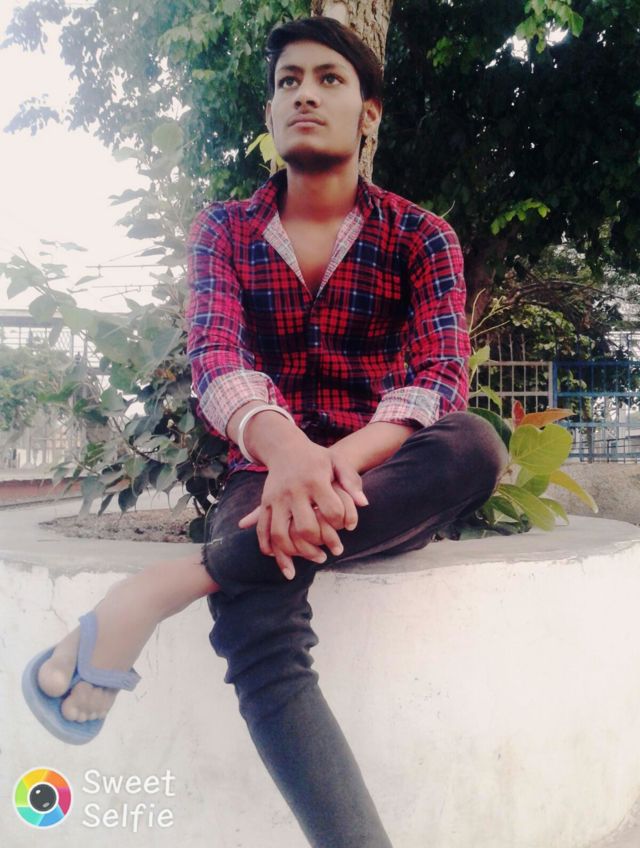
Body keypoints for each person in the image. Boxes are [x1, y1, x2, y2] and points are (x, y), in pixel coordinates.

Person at [23, 15, 508, 846]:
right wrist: (285, 452)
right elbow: (216, 357)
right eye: (289, 81)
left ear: (368, 113)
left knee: (475, 445)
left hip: (379, 470)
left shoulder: (422, 236)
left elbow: (438, 378)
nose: (305, 94)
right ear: (271, 112)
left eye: (329, 78)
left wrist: (325, 465)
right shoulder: (224, 230)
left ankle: (163, 590)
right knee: (258, 621)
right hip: (261, 473)